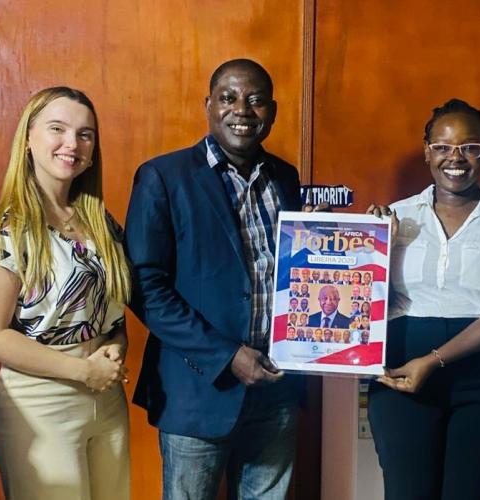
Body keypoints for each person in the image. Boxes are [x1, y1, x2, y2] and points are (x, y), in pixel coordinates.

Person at [126, 59, 321, 500]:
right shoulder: (163, 177)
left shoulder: (285, 178)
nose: (242, 111)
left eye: (255, 101)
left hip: (278, 388)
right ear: (208, 106)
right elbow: (146, 289)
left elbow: (296, 273)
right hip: (199, 390)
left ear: (272, 110)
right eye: (229, 98)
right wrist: (227, 355)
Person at [366, 98, 480, 499]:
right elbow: (368, 302)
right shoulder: (397, 215)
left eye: (469, 147)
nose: (455, 158)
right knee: (407, 493)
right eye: (443, 147)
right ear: (427, 151)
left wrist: (433, 360)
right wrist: (374, 248)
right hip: (400, 377)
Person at [0, 87, 133, 499]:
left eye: (85, 134)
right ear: (28, 137)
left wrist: (115, 348)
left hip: (106, 401)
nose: (71, 144)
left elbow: (113, 315)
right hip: (40, 407)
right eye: (56, 129)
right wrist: (82, 371)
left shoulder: (100, 222)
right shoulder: (7, 228)